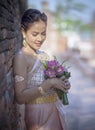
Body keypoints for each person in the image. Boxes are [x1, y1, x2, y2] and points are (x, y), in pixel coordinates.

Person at [14, 8, 71, 130]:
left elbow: (56, 83)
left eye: (43, 33)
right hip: (37, 116)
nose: (40, 39)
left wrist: (62, 84)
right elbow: (20, 97)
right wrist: (49, 83)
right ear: (23, 32)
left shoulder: (44, 55)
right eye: (35, 34)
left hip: (53, 110)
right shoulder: (21, 57)